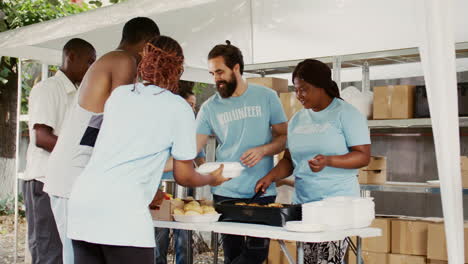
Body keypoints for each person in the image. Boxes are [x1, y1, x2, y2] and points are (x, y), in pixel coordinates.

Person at [66, 35, 227, 264]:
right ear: (177, 68)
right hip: (123, 210)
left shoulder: (119, 95)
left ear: (144, 62)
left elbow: (125, 153)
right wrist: (212, 178)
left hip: (83, 204)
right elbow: (184, 175)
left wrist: (149, 186)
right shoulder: (178, 107)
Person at [44, 17, 159, 264]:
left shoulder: (114, 61)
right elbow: (125, 120)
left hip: (81, 176)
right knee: (76, 258)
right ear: (147, 45)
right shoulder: (122, 60)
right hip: (71, 176)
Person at [255, 59, 371, 264]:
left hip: (336, 206)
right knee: (307, 260)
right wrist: (270, 177)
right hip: (303, 205)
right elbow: (289, 160)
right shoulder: (297, 119)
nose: (299, 95)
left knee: (327, 261)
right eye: (297, 90)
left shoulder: (347, 114)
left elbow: (363, 156)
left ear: (321, 86)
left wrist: (329, 160)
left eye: (304, 90)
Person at [196, 41, 288, 264]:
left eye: (220, 71)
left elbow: (284, 138)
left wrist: (264, 150)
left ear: (236, 68)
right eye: (212, 73)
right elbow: (192, 148)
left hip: (262, 190)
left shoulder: (267, 96)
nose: (216, 78)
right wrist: (205, 171)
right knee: (233, 255)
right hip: (226, 191)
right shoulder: (209, 107)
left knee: (256, 253)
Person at [21, 38, 96, 264]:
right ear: (70, 56)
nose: (92, 68)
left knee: (66, 252)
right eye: (89, 62)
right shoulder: (48, 89)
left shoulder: (80, 94)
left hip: (65, 183)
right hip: (43, 181)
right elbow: (41, 137)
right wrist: (77, 154)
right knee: (48, 251)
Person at [154, 87, 205, 264]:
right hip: (162, 187)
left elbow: (201, 160)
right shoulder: (161, 127)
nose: (192, 110)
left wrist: (209, 174)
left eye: (194, 106)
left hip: (185, 188)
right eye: (189, 105)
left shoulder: (193, 131)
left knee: (184, 234)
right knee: (159, 234)